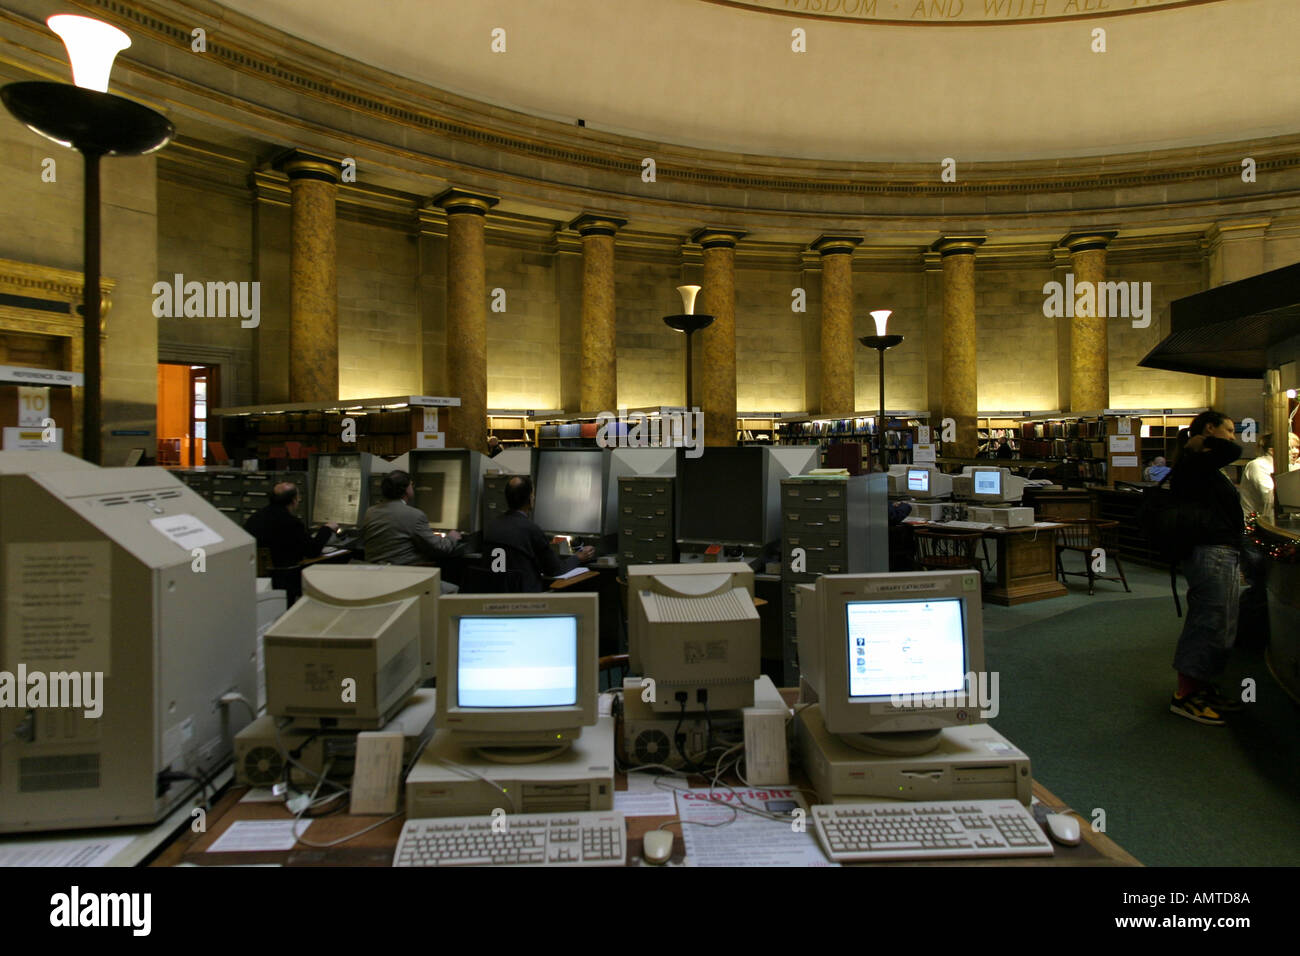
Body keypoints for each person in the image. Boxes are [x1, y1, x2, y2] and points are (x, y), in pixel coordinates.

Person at [1168, 410, 1244, 725]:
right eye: (1228, 429)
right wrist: (1200, 439)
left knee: (1221, 623)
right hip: (1209, 552)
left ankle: (1203, 686)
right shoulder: (1194, 462)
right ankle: (1186, 696)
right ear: (1210, 429)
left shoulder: (1201, 463)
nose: (1233, 437)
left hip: (1219, 551)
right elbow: (1234, 451)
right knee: (1208, 622)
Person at [482, 475, 595, 592]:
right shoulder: (531, 529)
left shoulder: (492, 526)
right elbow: (555, 569)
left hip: (496, 596)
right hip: (526, 599)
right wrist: (578, 557)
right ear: (530, 499)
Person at [360, 470, 463, 569]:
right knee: (453, 587)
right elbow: (440, 548)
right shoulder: (415, 515)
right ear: (406, 489)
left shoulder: (370, 512)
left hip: (376, 575)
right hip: (406, 576)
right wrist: (451, 538)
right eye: (411, 484)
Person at [244, 482, 337, 569]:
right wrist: (327, 529)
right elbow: (312, 551)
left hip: (258, 576)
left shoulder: (255, 517)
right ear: (294, 501)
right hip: (286, 575)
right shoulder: (292, 523)